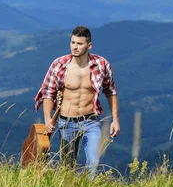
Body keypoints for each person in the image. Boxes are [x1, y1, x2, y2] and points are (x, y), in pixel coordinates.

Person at [34, 25, 120, 176]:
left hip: (90, 121)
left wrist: (115, 120)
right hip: (66, 122)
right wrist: (47, 119)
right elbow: (48, 92)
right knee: (68, 167)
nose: (75, 47)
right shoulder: (59, 65)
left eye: (79, 44)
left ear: (89, 45)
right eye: (73, 42)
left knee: (93, 163)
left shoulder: (102, 65)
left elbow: (110, 91)